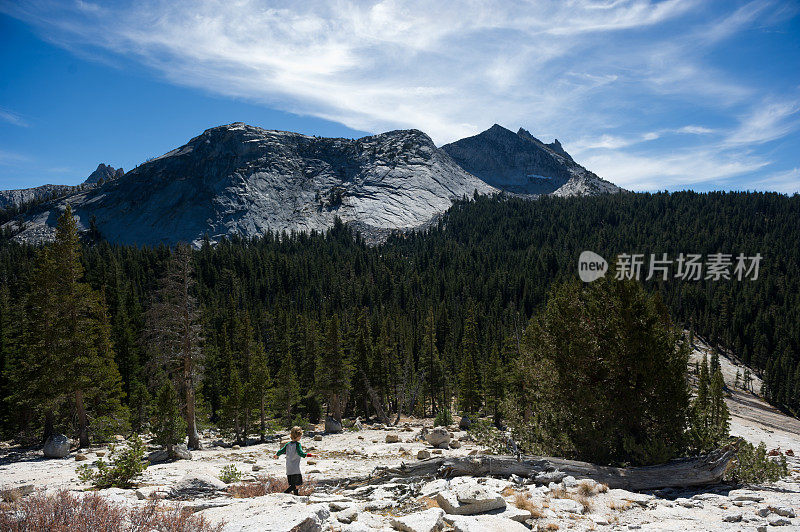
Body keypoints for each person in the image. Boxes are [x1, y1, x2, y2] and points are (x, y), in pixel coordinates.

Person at [273, 425, 316, 495]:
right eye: (300, 436)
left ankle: (296, 496)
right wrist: (311, 455)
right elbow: (301, 453)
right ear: (298, 436)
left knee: (294, 485)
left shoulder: (287, 444)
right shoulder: (298, 444)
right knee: (297, 484)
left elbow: (281, 451)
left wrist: (276, 455)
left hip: (288, 468)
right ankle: (284, 493)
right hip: (295, 469)